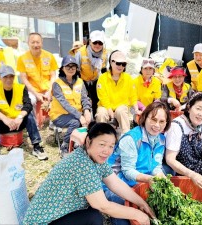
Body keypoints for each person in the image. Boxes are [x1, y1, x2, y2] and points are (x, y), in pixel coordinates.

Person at [23, 122, 155, 225]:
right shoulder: (82, 163)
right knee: (94, 217)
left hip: (62, 214)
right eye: (102, 144)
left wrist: (141, 203)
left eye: (111, 146)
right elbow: (103, 206)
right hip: (43, 222)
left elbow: (115, 183)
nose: (107, 151)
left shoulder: (96, 158)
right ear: (88, 141)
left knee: (93, 213)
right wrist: (137, 214)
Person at [105, 101, 171, 225]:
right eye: (153, 119)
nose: (157, 125)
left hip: (140, 179)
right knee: (122, 211)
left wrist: (160, 177)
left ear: (166, 123)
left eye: (161, 122)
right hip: (117, 181)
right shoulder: (131, 138)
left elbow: (156, 165)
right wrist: (149, 179)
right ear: (144, 118)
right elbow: (127, 171)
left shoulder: (161, 139)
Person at [0, 65, 48, 163]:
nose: (9, 79)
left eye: (11, 76)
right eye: (5, 77)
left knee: (29, 117)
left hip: (18, 122)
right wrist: (5, 119)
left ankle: (37, 146)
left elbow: (28, 104)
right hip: (3, 123)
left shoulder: (21, 87)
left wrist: (20, 117)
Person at [164, 92, 202, 189]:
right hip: (180, 169)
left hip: (197, 164)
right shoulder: (176, 126)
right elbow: (170, 159)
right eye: (198, 108)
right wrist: (192, 175)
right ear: (189, 108)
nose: (201, 114)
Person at [49, 56, 92, 158]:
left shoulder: (80, 82)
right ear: (62, 68)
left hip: (76, 114)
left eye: (73, 66)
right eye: (68, 66)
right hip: (59, 115)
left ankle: (83, 144)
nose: (71, 69)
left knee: (91, 121)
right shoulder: (57, 84)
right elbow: (64, 104)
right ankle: (65, 145)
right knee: (75, 122)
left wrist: (86, 111)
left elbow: (84, 99)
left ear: (76, 68)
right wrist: (79, 116)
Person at [96, 50, 140, 135]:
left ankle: (126, 137)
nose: (121, 66)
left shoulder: (128, 78)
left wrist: (136, 109)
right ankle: (101, 136)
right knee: (101, 114)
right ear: (111, 63)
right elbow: (103, 98)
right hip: (105, 106)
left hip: (121, 106)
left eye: (123, 64)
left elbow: (133, 95)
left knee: (122, 111)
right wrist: (111, 114)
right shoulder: (102, 78)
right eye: (118, 63)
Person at [17, 32, 58, 116]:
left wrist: (49, 91)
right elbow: (24, 79)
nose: (35, 45)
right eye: (33, 42)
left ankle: (54, 122)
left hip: (48, 89)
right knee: (30, 100)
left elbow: (53, 76)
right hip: (32, 90)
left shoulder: (50, 56)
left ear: (42, 43)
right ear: (28, 43)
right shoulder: (22, 59)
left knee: (60, 97)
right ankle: (34, 124)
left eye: (38, 42)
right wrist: (36, 94)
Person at [75, 30, 107, 115]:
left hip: (96, 79)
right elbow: (76, 70)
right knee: (85, 100)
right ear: (90, 42)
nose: (97, 45)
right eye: (95, 42)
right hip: (83, 79)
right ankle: (85, 118)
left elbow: (104, 69)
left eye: (100, 43)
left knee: (96, 99)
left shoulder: (104, 53)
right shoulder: (80, 52)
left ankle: (95, 119)